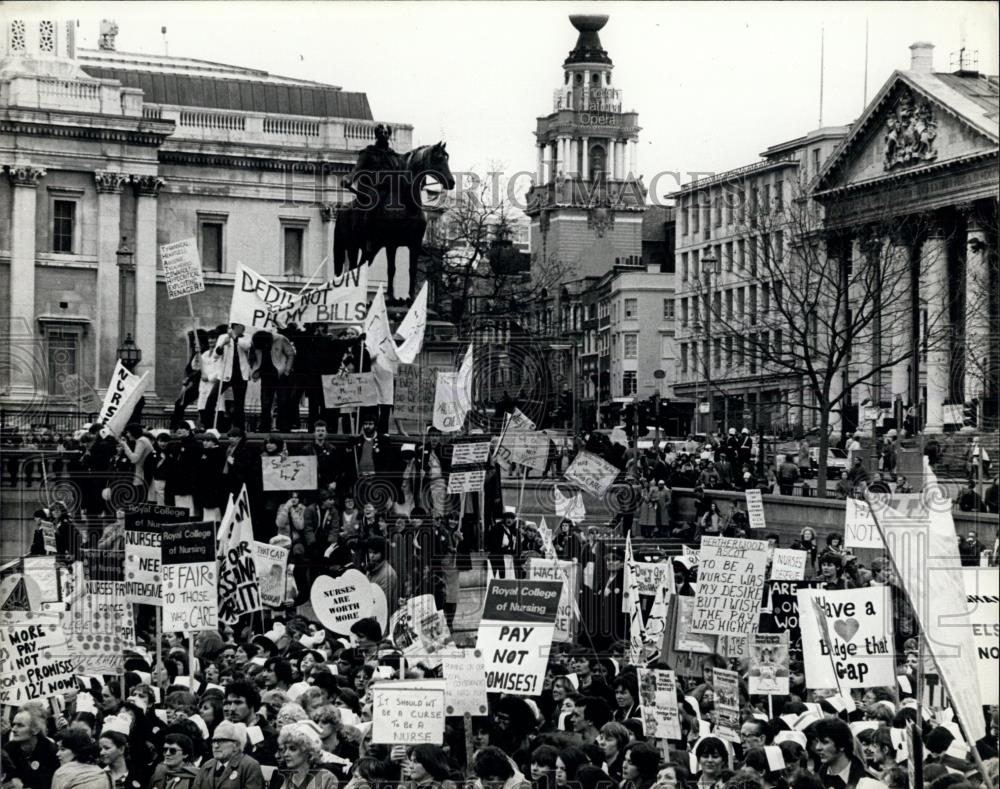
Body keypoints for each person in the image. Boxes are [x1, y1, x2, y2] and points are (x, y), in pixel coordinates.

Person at [192, 721, 264, 789]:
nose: (215, 746)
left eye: (221, 741)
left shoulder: (250, 766)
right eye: (214, 741)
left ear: (236, 745)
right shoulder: (207, 766)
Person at [3, 709, 59, 789]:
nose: (13, 729)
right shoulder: (8, 749)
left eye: (20, 725)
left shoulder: (51, 751)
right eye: (13, 724)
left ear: (35, 730)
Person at [215, 323, 253, 431]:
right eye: (236, 327)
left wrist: (234, 337)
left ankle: (239, 429)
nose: (239, 329)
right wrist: (222, 344)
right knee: (212, 398)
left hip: (241, 375)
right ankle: (208, 424)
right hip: (226, 374)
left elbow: (246, 346)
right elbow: (216, 355)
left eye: (241, 327)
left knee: (239, 404)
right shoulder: (223, 337)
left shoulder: (247, 337)